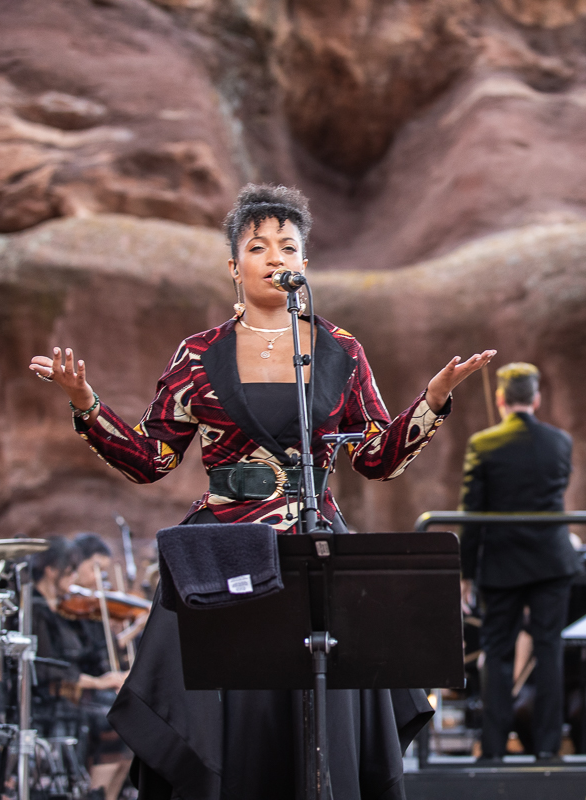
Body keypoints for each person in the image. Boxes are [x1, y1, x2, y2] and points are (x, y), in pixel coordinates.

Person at [29, 183, 496, 799]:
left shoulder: (341, 352)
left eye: (289, 246)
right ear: (234, 265)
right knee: (231, 721)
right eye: (258, 246)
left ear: (305, 263)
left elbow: (377, 460)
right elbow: (151, 459)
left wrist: (432, 403)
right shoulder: (199, 355)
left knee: (325, 707)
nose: (276, 257)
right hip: (223, 558)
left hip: (314, 553)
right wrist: (85, 403)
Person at [459, 362, 577, 762]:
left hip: (501, 563)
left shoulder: (483, 444)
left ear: (500, 398)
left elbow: (471, 515)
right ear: (536, 398)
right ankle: (547, 749)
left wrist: (466, 573)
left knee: (497, 651)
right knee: (549, 650)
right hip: (552, 560)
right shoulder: (560, 442)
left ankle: (492, 749)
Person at [30, 538, 129, 771]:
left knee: (134, 713)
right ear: (51, 570)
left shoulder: (64, 608)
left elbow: (87, 654)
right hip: (53, 699)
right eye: (70, 570)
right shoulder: (36, 610)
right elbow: (49, 668)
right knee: (121, 719)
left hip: (78, 693)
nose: (74, 576)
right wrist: (98, 682)